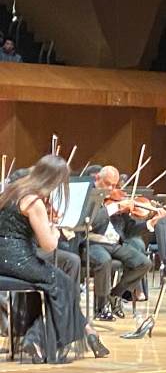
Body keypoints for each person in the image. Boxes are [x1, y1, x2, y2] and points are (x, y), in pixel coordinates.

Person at [0, 155, 109, 363]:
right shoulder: (34, 201)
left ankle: (41, 337)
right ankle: (50, 337)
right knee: (63, 284)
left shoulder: (11, 191)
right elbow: (48, 245)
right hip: (18, 260)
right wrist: (53, 226)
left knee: (55, 282)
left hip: (2, 259)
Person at [87, 166, 166, 321]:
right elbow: (90, 220)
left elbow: (129, 230)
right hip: (92, 242)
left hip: (114, 243)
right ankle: (101, 308)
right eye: (107, 184)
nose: (111, 189)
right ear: (97, 179)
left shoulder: (119, 200)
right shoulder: (89, 195)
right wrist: (114, 208)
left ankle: (115, 296)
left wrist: (151, 223)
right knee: (104, 261)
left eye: (114, 185)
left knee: (144, 263)